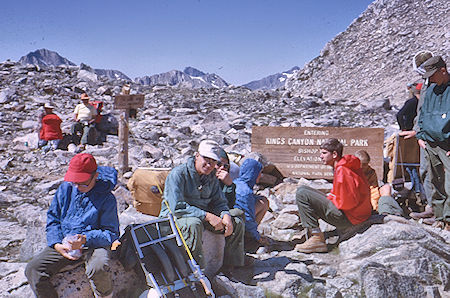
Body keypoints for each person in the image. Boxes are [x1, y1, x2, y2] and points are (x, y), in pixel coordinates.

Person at [25, 153, 119, 298]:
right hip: (66, 243)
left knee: (98, 268)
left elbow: (111, 233)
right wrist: (56, 244)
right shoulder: (65, 189)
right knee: (33, 269)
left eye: (83, 183)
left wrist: (85, 239)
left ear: (96, 176)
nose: (78, 187)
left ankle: (105, 296)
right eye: (75, 182)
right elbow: (53, 219)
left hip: (94, 244)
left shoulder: (107, 198)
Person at [160, 140, 245, 271]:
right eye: (206, 159)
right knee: (193, 224)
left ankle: (229, 267)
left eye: (213, 161)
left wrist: (225, 215)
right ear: (197, 155)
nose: (209, 164)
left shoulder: (210, 177)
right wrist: (207, 216)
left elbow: (219, 201)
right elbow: (177, 207)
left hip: (202, 214)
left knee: (236, 220)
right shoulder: (178, 174)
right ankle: (194, 271)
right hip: (177, 217)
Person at [294, 138, 372, 253]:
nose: (321, 156)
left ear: (334, 154)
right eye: (321, 153)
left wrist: (327, 202)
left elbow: (348, 203)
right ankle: (313, 234)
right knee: (305, 190)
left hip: (350, 218)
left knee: (302, 193)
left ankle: (317, 239)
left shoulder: (343, 171)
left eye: (324, 153)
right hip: (357, 214)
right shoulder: (343, 166)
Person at [416, 55, 450, 230]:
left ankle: (449, 220)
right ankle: (440, 217)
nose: (430, 79)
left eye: (432, 75)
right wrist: (420, 135)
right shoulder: (430, 90)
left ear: (443, 70)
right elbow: (423, 114)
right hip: (430, 143)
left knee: (449, 182)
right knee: (435, 181)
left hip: (447, 145)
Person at [400, 50, 435, 220]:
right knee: (425, 171)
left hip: (434, 136)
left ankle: (439, 210)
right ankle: (431, 207)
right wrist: (416, 130)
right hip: (424, 135)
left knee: (433, 172)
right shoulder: (427, 83)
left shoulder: (436, 83)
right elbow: (421, 112)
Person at [355, 150, 403, 216]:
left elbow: (373, 190)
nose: (365, 167)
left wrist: (374, 207)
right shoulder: (351, 172)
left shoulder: (371, 172)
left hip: (369, 197)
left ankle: (386, 211)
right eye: (363, 165)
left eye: (366, 164)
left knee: (386, 187)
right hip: (357, 199)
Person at [234, 158, 270, 246]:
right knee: (263, 202)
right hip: (238, 221)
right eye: (259, 173)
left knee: (262, 199)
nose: (260, 176)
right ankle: (249, 237)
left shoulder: (236, 182)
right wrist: (257, 237)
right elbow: (248, 217)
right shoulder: (246, 191)